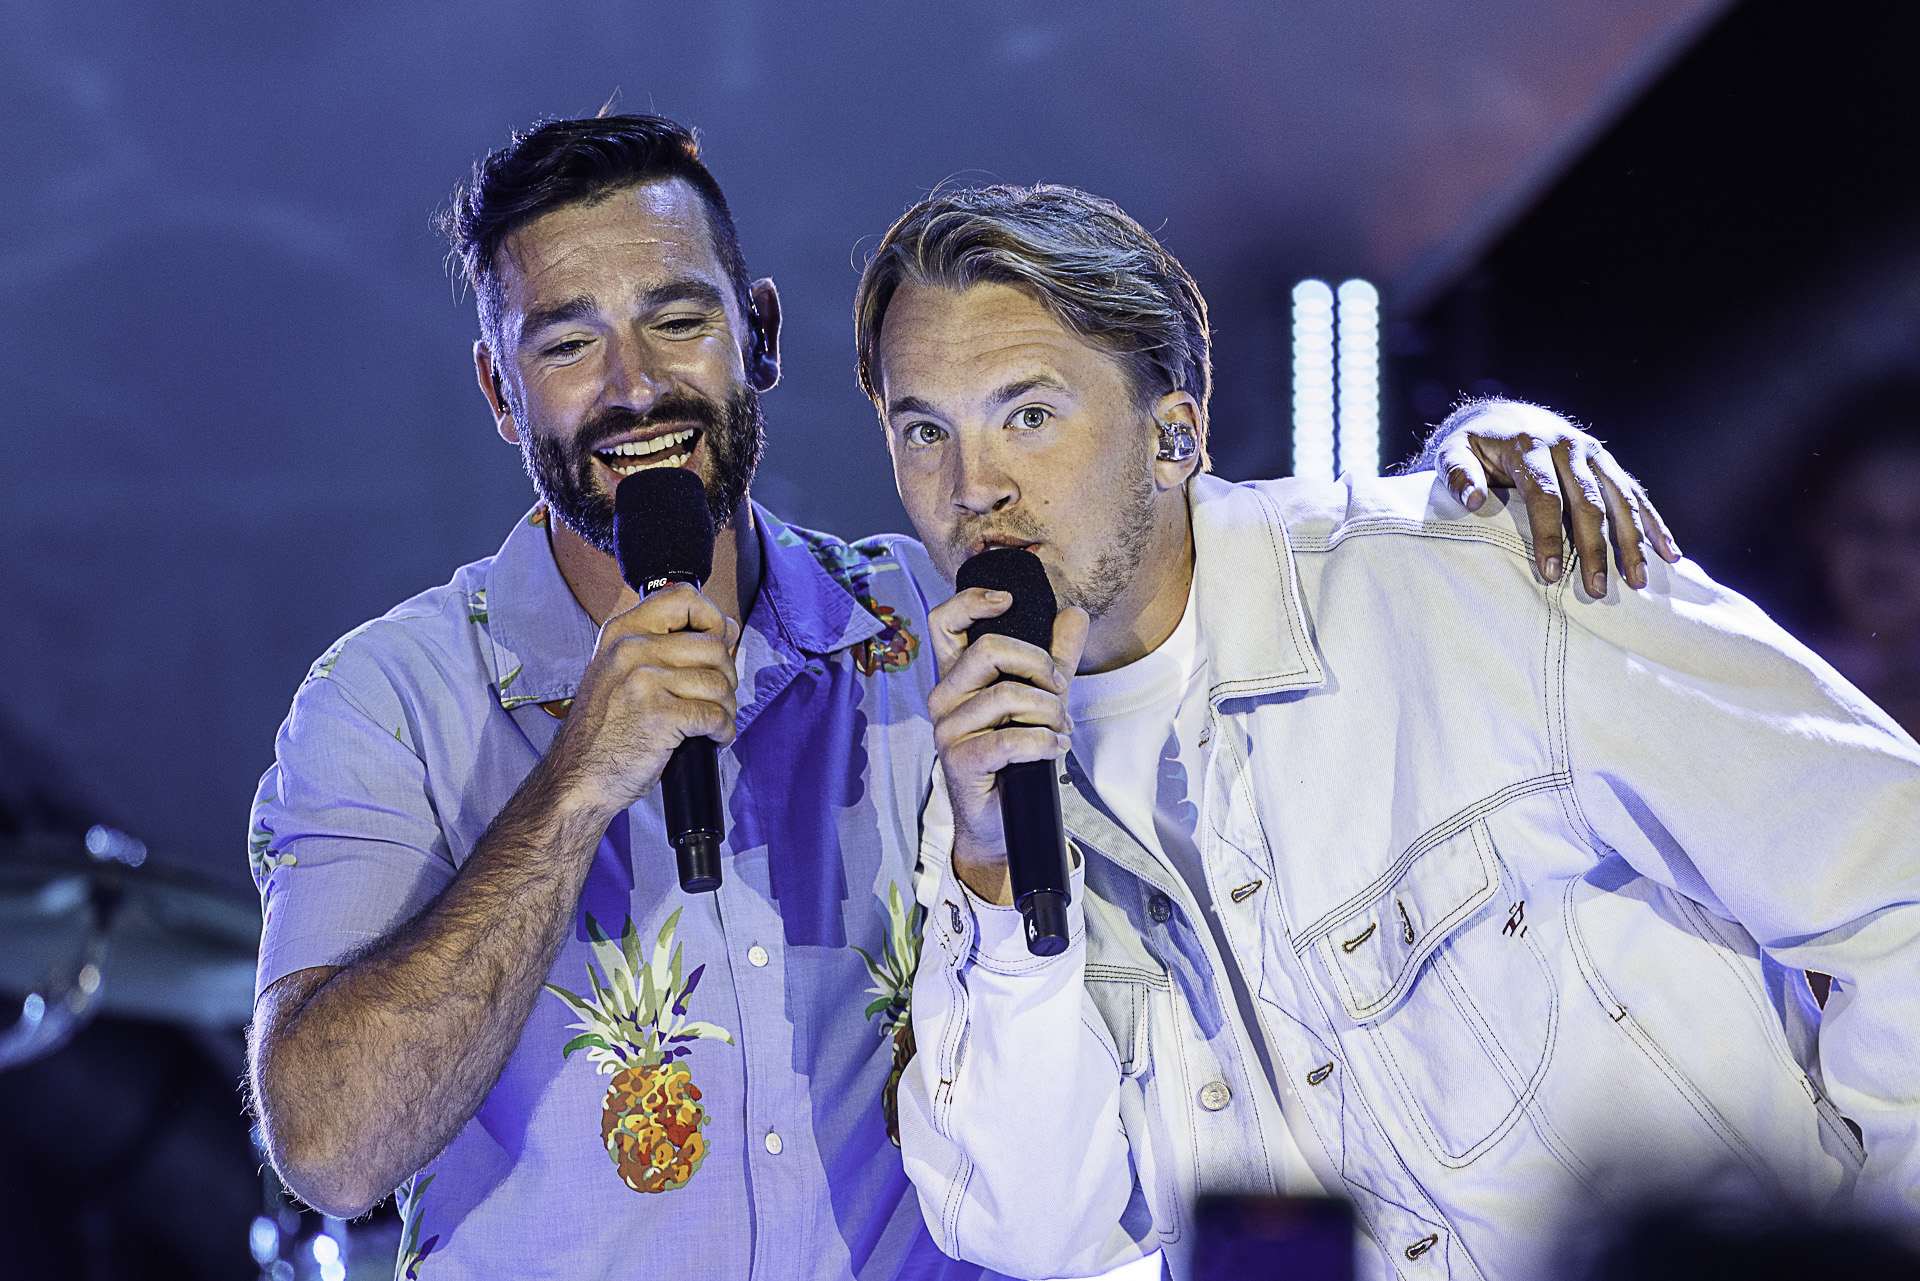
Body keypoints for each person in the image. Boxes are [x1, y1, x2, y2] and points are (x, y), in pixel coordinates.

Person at [244, 114, 1658, 1280]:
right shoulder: (390, 702)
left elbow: (1173, 535)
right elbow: (331, 1151)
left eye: (677, 320)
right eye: (566, 344)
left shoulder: (939, 617)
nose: (634, 387)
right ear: (502, 393)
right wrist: (574, 788)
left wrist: (1473, 465)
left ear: (759, 335)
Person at [862, 185, 1920, 1280]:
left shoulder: (1482, 574)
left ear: (1175, 434)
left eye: (1029, 415)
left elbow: (1897, 885)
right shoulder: (982, 793)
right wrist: (992, 873)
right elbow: (1031, 1232)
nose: (973, 487)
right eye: (923, 431)